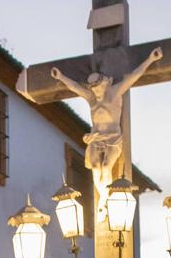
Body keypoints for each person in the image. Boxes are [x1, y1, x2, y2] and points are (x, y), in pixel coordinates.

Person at [50, 46, 163, 215]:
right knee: (96, 167)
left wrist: (150, 59)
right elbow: (74, 87)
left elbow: (133, 77)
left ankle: (104, 200)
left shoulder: (114, 93)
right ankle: (103, 198)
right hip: (95, 139)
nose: (95, 92)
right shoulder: (91, 99)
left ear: (105, 84)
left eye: (98, 88)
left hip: (112, 138)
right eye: (93, 89)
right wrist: (61, 77)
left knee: (106, 166)